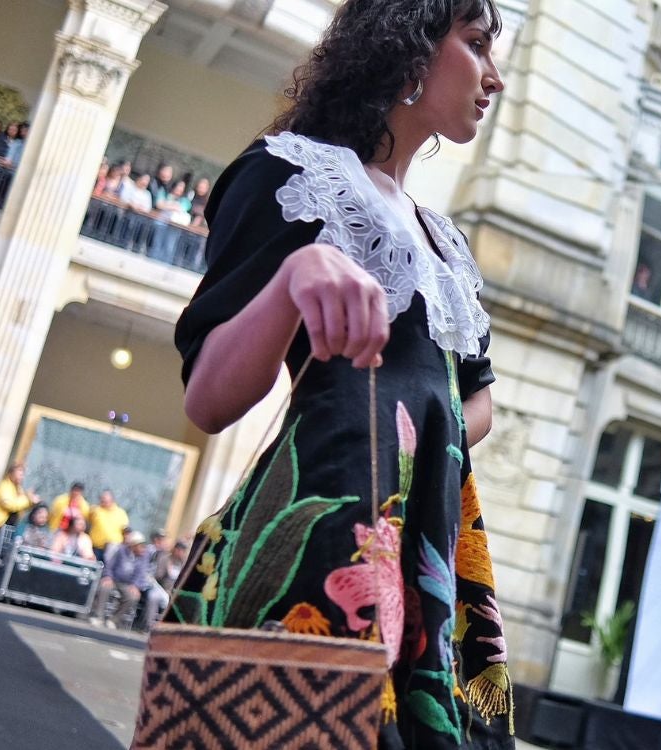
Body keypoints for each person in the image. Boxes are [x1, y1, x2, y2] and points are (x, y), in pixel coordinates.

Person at [160, 0, 512, 745]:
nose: (495, 78)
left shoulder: (444, 242)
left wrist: (419, 434)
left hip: (432, 552)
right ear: (411, 46)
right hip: (320, 535)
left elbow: (476, 402)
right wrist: (297, 275)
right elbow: (208, 401)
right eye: (476, 44)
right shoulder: (290, 174)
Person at [89, 531, 164, 630]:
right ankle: (98, 616)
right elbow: (110, 565)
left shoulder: (144, 555)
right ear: (133, 545)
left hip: (128, 584)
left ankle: (113, 620)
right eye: (140, 545)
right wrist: (108, 576)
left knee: (133, 597)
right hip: (115, 579)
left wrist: (135, 585)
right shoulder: (121, 551)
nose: (142, 547)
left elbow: (141, 573)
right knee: (104, 587)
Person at [87, 490, 128, 563]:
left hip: (113, 550)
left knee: (108, 571)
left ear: (112, 500)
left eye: (105, 498)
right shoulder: (96, 510)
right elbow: (87, 520)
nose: (103, 500)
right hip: (96, 548)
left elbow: (125, 531)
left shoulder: (121, 513)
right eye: (102, 498)